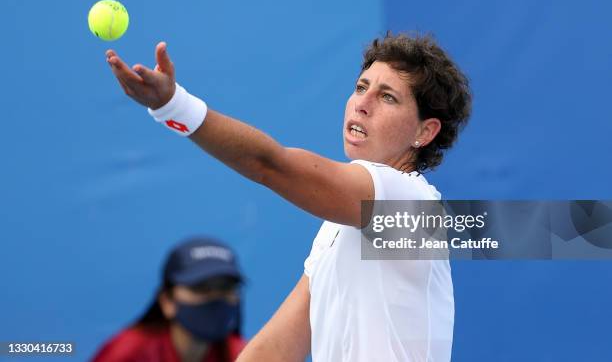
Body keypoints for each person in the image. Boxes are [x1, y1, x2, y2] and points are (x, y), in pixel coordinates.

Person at [105, 32, 472, 361]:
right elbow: (275, 350)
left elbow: (270, 165)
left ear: (425, 132)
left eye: (387, 97)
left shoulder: (407, 201)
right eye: (361, 87)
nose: (363, 103)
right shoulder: (341, 226)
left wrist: (173, 105)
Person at [93, 237, 246, 362]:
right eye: (202, 288)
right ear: (167, 301)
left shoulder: (242, 355)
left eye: (227, 289)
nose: (216, 298)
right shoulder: (126, 354)